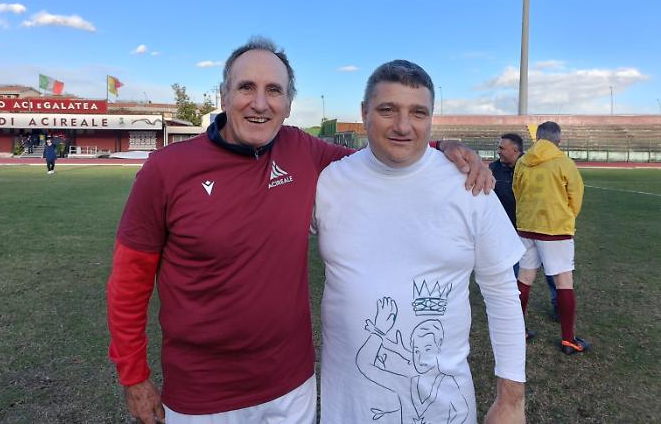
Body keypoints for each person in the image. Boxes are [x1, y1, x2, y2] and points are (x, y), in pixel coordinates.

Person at [106, 38, 493, 424]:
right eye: (246, 87)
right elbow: (128, 284)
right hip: (202, 395)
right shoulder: (166, 170)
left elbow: (376, 159)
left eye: (274, 90)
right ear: (224, 96)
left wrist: (442, 146)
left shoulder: (301, 150)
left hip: (291, 388)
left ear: (288, 104)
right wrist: (134, 377)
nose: (260, 103)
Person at [314, 60, 526, 424]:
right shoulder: (328, 182)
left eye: (417, 112)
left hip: (446, 410)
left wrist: (511, 401)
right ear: (364, 113)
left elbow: (502, 293)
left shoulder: (470, 185)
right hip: (347, 408)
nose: (403, 125)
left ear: (431, 118)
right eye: (387, 110)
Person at [513, 121, 589, 355]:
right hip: (555, 230)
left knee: (524, 278)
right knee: (563, 281)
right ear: (558, 140)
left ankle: (517, 331)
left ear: (537, 138)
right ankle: (568, 340)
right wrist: (566, 217)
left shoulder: (522, 162)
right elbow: (576, 196)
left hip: (526, 227)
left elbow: (517, 190)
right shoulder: (563, 162)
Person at [490, 133, 558, 324]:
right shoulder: (493, 169)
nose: (498, 151)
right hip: (510, 231)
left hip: (538, 228)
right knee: (515, 272)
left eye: (502, 148)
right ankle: (513, 311)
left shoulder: (533, 166)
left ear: (515, 150)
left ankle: (560, 307)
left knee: (552, 270)